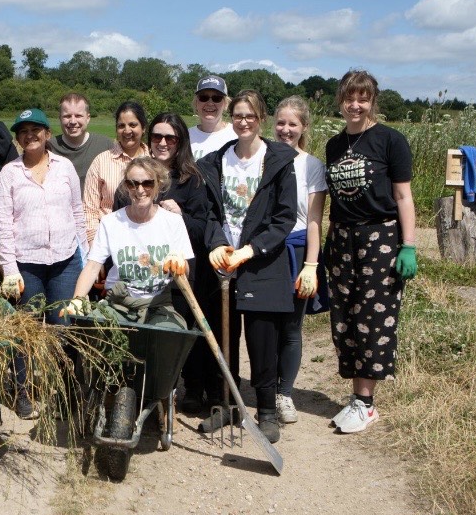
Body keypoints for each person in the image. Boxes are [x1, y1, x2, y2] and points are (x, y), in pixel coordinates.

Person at [323, 69, 417, 434]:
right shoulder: (334, 145)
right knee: (344, 318)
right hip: (343, 238)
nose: (356, 105)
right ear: (341, 101)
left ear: (372, 101)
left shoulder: (391, 141)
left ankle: (366, 403)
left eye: (363, 98)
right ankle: (355, 397)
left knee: (372, 319)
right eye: (350, 98)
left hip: (380, 237)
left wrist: (408, 246)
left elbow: (403, 196)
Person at [203, 90, 298, 444]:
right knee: (225, 340)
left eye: (251, 116)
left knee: (262, 342)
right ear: (232, 116)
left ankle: (267, 412)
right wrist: (215, 243)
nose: (244, 122)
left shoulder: (278, 162)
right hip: (224, 264)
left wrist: (252, 250)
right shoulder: (215, 162)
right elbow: (208, 212)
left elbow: (285, 216)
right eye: (238, 115)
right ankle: (226, 403)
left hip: (262, 265)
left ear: (261, 119)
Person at [114, 112, 212, 408]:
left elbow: (203, 227)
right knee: (144, 336)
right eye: (157, 136)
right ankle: (144, 391)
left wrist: (179, 215)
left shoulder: (191, 180)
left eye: (171, 137)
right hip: (142, 270)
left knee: (179, 331)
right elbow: (120, 217)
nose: (163, 142)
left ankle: (191, 388)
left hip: (180, 270)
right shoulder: (137, 174)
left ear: (180, 141)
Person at [0, 108, 85, 418]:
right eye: (23, 131)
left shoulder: (66, 167)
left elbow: (78, 212)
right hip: (27, 264)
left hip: (66, 261)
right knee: (26, 329)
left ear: (48, 134)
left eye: (36, 130)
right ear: (18, 138)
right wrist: (9, 269)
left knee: (65, 327)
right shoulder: (10, 173)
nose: (30, 135)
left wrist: (85, 259)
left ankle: (67, 391)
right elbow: (3, 222)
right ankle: (24, 391)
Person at [65, 156, 192, 327]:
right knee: (97, 334)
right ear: (126, 186)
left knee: (167, 339)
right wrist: (78, 300)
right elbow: (92, 267)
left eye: (147, 183)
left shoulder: (172, 221)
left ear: (158, 184)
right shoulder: (111, 222)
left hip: (158, 303)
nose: (140, 190)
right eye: (133, 184)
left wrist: (180, 264)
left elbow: (186, 275)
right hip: (118, 302)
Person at [272, 96, 328, 424]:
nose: (286, 129)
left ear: (303, 127)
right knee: (264, 326)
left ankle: (285, 393)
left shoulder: (312, 166)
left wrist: (311, 265)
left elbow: (316, 220)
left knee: (292, 328)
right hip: (266, 251)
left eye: (293, 124)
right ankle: (263, 388)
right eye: (281, 123)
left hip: (297, 250)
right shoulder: (261, 157)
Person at [83, 100, 149, 246]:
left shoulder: (154, 161)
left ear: (143, 127)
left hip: (147, 239)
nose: (127, 131)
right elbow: (89, 209)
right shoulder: (101, 161)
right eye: (121, 126)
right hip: (109, 239)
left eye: (133, 125)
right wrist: (95, 244)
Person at [48, 92, 114, 185]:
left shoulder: (105, 145)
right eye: (67, 116)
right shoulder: (48, 147)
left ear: (88, 118)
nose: (73, 121)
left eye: (78, 116)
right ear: (60, 118)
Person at [188, 75, 236, 161]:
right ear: (196, 103)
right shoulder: (185, 137)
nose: (210, 103)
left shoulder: (237, 134)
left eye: (216, 98)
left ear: (225, 104)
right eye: (203, 98)